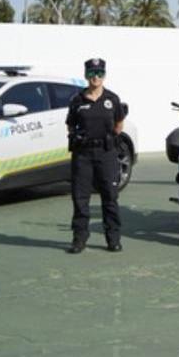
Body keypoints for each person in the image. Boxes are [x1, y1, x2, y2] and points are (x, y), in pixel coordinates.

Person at [66, 58, 126, 254]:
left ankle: (113, 238)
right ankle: (79, 238)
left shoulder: (112, 99)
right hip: (83, 154)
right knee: (80, 198)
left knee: (110, 197)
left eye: (100, 73)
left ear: (104, 75)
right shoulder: (77, 100)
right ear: (86, 75)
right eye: (92, 73)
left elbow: (119, 124)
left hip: (106, 153)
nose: (96, 77)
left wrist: (109, 140)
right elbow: (70, 124)